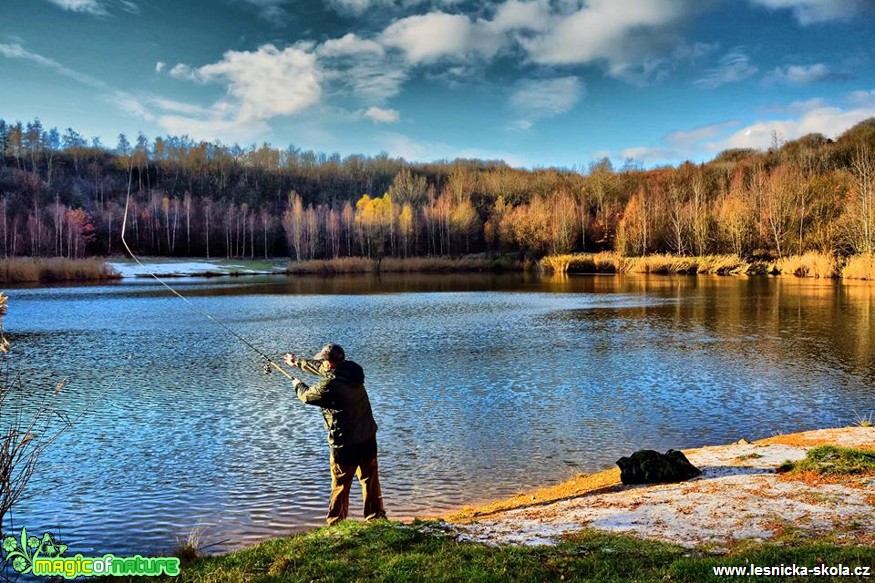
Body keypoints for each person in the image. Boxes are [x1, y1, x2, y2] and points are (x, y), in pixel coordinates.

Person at [283, 343, 387, 525]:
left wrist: (297, 384)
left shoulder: (330, 385)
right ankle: (376, 517)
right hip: (368, 438)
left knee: (340, 485)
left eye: (325, 361)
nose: (323, 364)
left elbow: (307, 396)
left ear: (330, 363)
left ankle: (335, 524)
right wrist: (297, 362)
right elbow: (320, 367)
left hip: (345, 444)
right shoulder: (351, 370)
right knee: (370, 480)